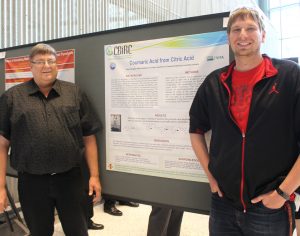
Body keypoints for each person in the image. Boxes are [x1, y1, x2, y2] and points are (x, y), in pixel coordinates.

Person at [189, 6, 300, 236]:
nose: (243, 35)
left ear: (263, 34)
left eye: (250, 28)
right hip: (223, 206)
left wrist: (282, 193)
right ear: (228, 36)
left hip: (269, 207)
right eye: (236, 29)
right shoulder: (215, 83)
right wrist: (211, 177)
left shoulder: (290, 76)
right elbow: (196, 129)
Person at [0, 43, 102, 236]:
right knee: (39, 232)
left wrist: (95, 176)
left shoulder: (75, 94)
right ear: (30, 66)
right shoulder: (12, 98)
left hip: (71, 180)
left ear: (57, 65)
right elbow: (2, 144)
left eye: (51, 61)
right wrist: (0, 187)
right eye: (39, 61)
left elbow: (89, 136)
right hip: (32, 183)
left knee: (78, 231)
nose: (46, 65)